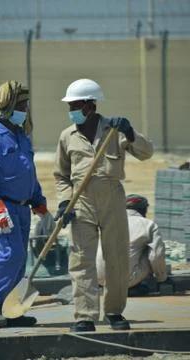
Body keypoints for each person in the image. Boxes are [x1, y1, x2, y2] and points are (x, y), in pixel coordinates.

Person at [53, 78, 154, 332]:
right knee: (81, 260)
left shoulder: (115, 130)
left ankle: (114, 312)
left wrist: (131, 133)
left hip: (112, 199)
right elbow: (61, 176)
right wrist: (65, 201)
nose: (71, 111)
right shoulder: (67, 136)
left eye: (75, 105)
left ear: (90, 106)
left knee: (117, 258)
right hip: (81, 201)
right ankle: (84, 316)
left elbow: (146, 153)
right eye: (70, 106)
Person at [0, 80, 48, 327]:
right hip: (2, 207)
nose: (26, 109)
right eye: (22, 104)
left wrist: (38, 200)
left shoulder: (20, 135)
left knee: (20, 256)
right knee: (11, 253)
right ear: (9, 105)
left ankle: (9, 307)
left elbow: (28, 171)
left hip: (23, 206)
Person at [96, 194, 168, 296]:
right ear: (143, 210)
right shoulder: (148, 225)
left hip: (98, 278)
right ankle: (132, 286)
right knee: (152, 250)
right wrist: (162, 279)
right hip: (127, 279)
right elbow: (156, 255)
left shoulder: (107, 221)